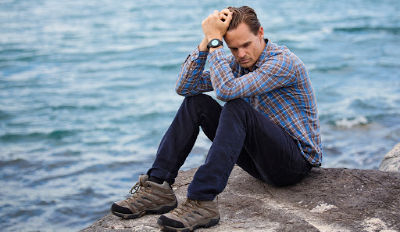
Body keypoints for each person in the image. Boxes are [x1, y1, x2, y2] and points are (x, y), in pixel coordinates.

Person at [110, 5, 322, 232]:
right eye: (233, 48)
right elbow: (185, 87)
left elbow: (226, 91)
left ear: (260, 33)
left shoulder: (282, 63)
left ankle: (202, 200)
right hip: (258, 162)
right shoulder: (238, 62)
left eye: (246, 45)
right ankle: (157, 187)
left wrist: (215, 41)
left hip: (292, 165)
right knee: (196, 102)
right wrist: (206, 42)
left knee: (236, 106)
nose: (240, 54)